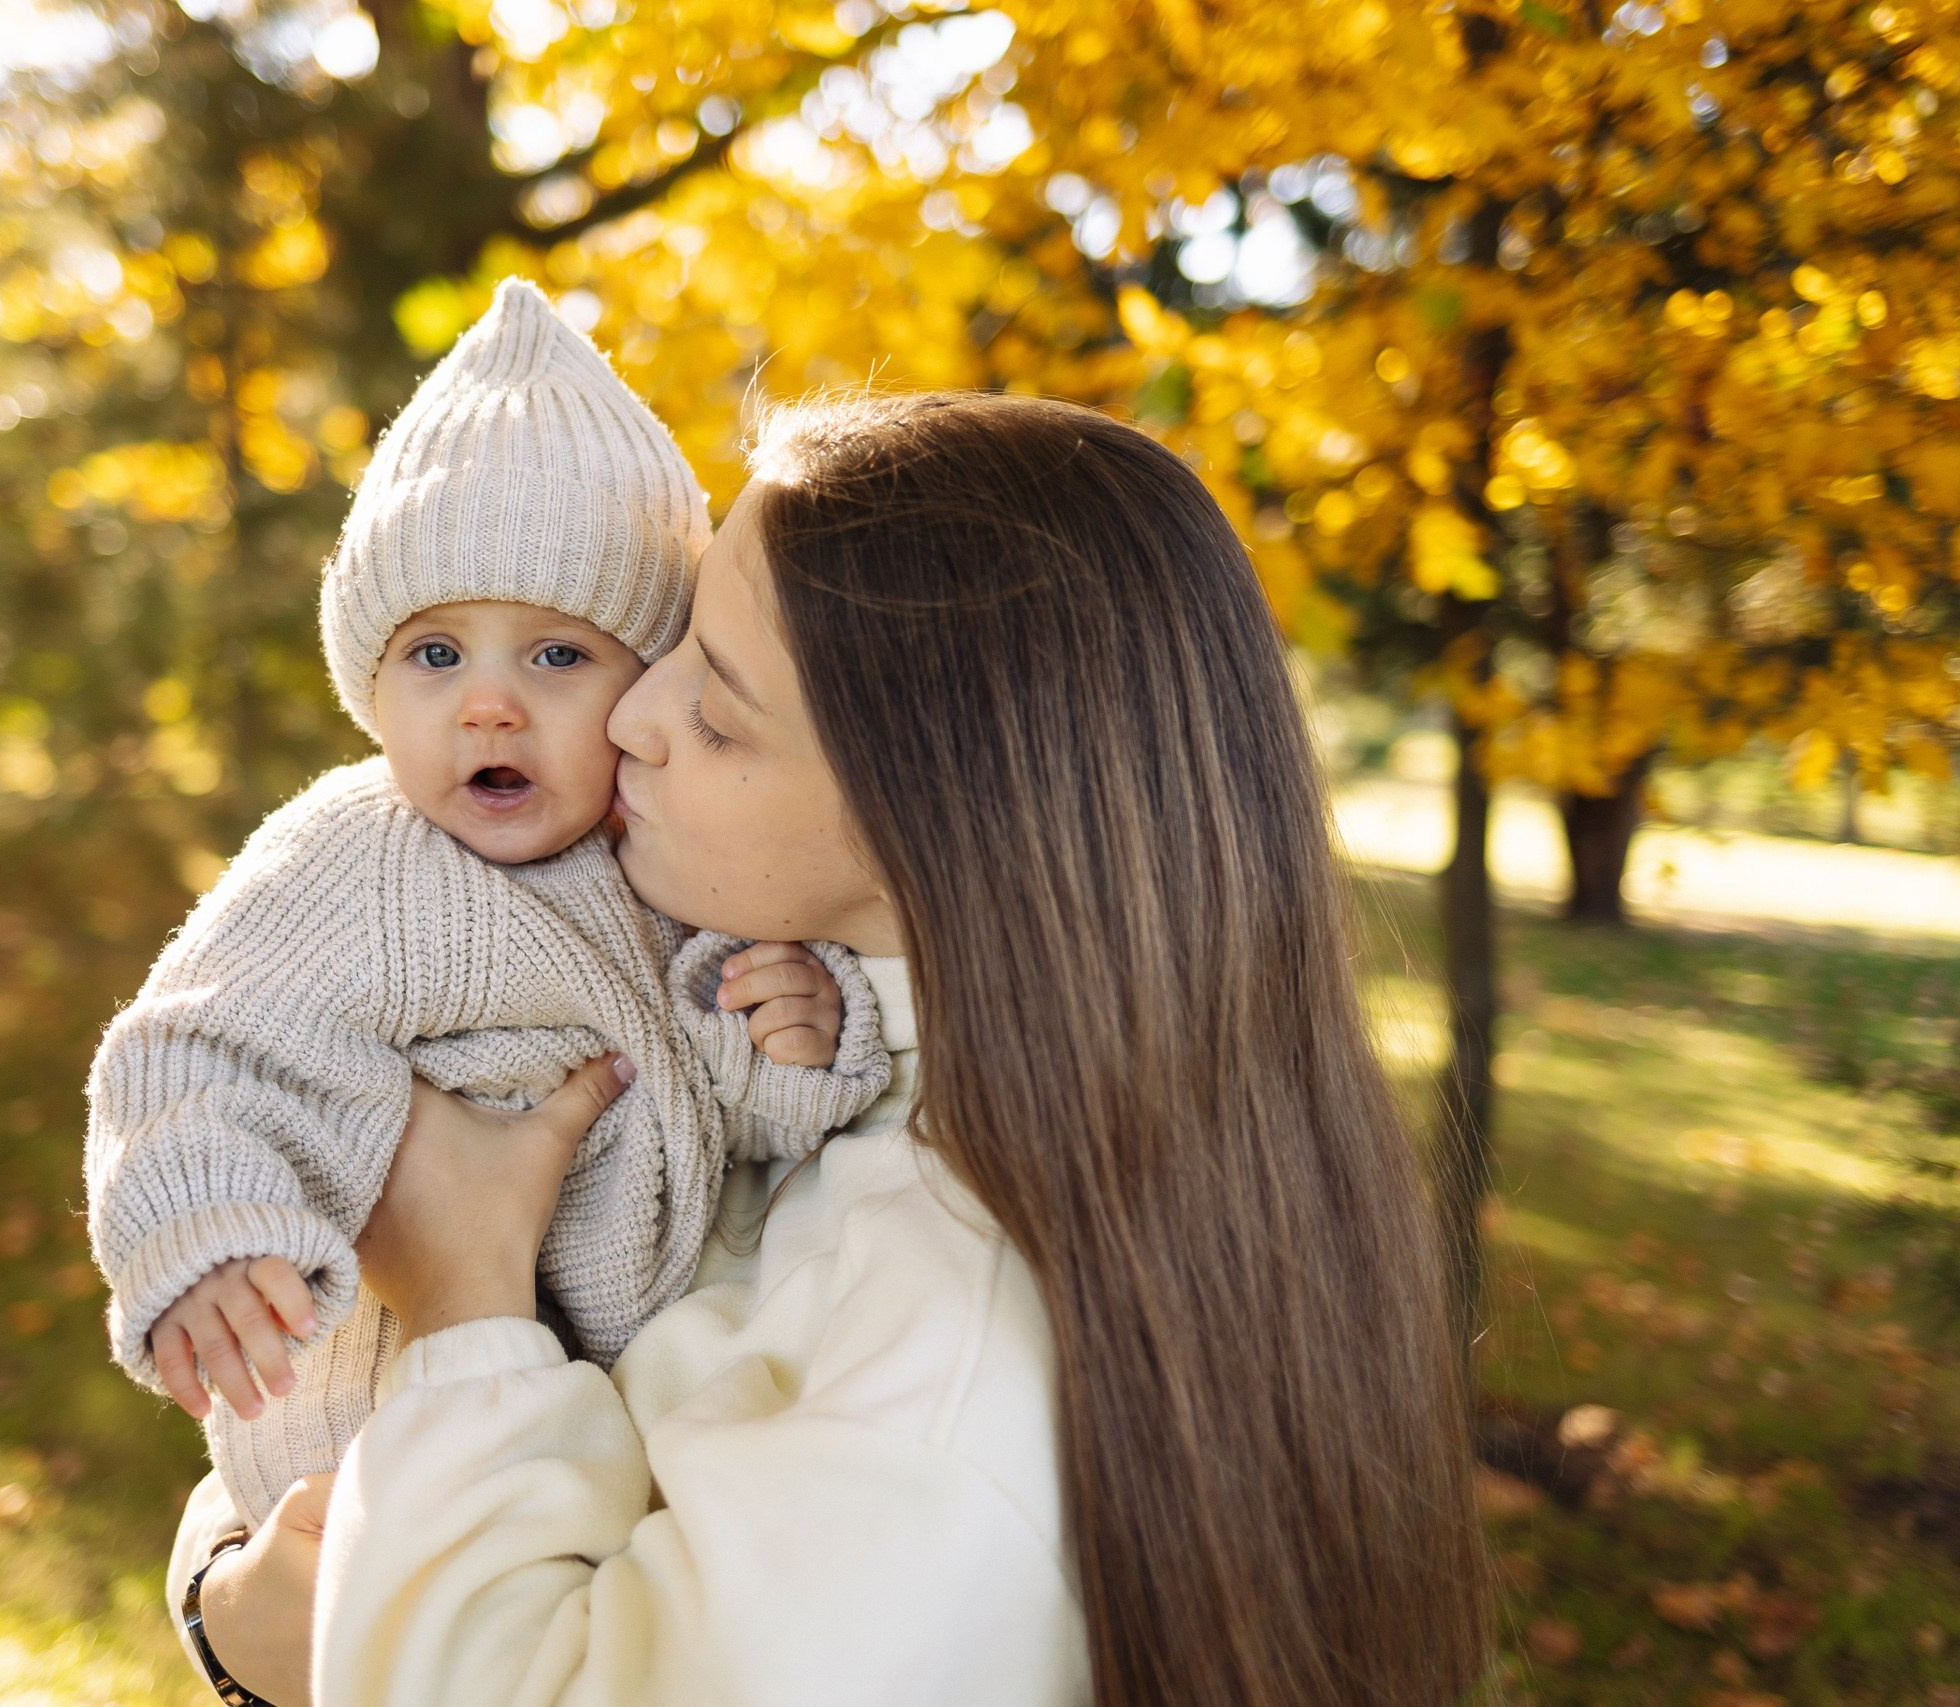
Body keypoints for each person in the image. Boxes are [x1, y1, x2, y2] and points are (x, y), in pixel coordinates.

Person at [172, 388, 1494, 1707]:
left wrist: (464, 1294)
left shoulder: (953, 1369)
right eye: (675, 640)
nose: (631, 715)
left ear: (945, 810)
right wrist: (230, 1595)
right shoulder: (848, 1069)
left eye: (719, 708)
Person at [84, 280, 889, 1539]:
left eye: (557, 655)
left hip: (599, 1402)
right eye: (436, 654)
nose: (489, 705)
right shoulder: (357, 854)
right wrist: (211, 1234)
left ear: (646, 684)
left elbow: (732, 1122)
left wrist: (793, 1042)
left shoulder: (674, 861)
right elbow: (195, 1046)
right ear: (371, 681)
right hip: (370, 1401)